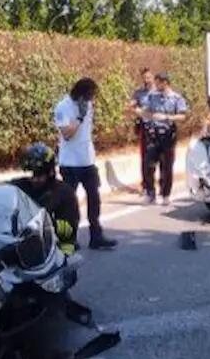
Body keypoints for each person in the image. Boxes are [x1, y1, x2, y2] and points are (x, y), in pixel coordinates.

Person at [54, 78, 117, 250]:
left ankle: (96, 236)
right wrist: (79, 117)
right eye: (89, 96)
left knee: (94, 199)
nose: (91, 100)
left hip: (87, 161)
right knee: (69, 203)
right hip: (70, 163)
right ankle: (68, 239)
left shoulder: (88, 104)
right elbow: (67, 134)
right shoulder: (63, 107)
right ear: (80, 93)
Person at [10, 142, 80, 256]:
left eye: (39, 175)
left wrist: (45, 224)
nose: (35, 179)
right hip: (24, 244)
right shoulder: (21, 186)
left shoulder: (64, 193)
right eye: (32, 174)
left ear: (50, 172)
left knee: (63, 263)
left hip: (57, 246)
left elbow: (69, 230)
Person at [135, 73, 188, 204]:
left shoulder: (176, 98)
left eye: (158, 83)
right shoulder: (153, 97)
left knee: (166, 166)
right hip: (153, 134)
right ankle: (150, 192)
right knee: (148, 164)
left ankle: (165, 194)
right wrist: (142, 113)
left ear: (165, 83)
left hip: (168, 135)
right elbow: (146, 111)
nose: (156, 85)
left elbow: (182, 116)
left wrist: (167, 117)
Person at [129, 67, 155, 193]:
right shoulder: (139, 92)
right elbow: (132, 105)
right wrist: (134, 109)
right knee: (145, 157)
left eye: (149, 77)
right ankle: (146, 185)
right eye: (145, 78)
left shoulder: (158, 92)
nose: (147, 80)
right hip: (145, 128)